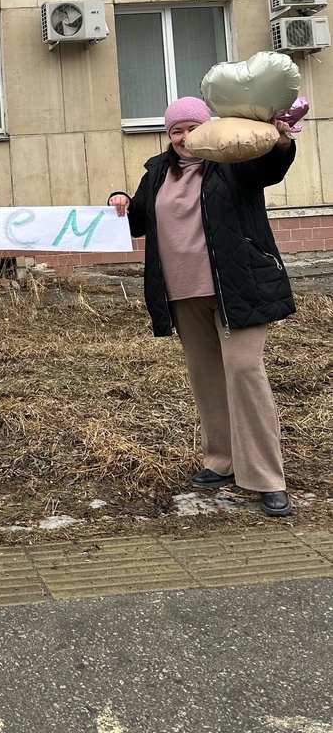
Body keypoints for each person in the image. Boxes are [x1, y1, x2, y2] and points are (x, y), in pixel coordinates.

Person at [108, 96, 297, 518]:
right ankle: (221, 461)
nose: (184, 137)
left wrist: (281, 140)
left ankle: (266, 477)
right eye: (176, 130)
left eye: (193, 128)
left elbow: (271, 168)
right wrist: (119, 199)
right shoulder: (157, 171)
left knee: (245, 372)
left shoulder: (235, 160)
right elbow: (138, 220)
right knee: (207, 377)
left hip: (238, 287)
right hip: (182, 292)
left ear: (208, 128)